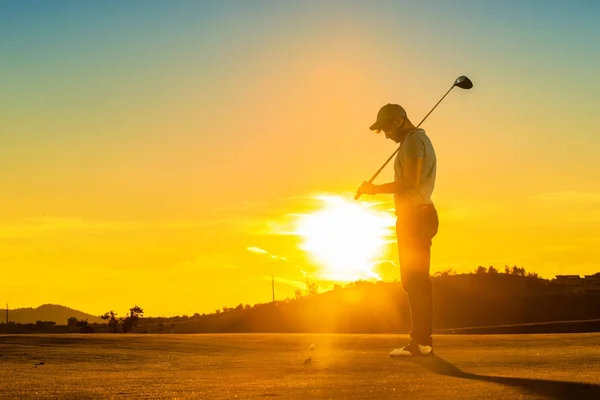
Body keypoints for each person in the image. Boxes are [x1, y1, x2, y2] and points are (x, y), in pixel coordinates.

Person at [358, 103, 439, 357]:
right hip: (414, 217)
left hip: (416, 217)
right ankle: (422, 341)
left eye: (386, 129)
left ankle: (422, 342)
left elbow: (411, 182)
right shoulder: (411, 142)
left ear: (399, 121)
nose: (386, 135)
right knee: (412, 282)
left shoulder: (413, 143)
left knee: (416, 282)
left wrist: (374, 190)